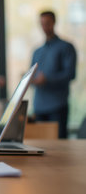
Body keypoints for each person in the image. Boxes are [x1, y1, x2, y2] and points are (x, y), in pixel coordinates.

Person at [31, 11, 76, 139]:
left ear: (54, 23)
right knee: (40, 146)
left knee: (59, 147)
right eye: (42, 24)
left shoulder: (66, 47)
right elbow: (32, 75)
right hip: (39, 106)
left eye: (47, 23)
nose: (45, 27)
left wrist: (47, 80)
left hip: (57, 106)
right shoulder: (37, 51)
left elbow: (70, 74)